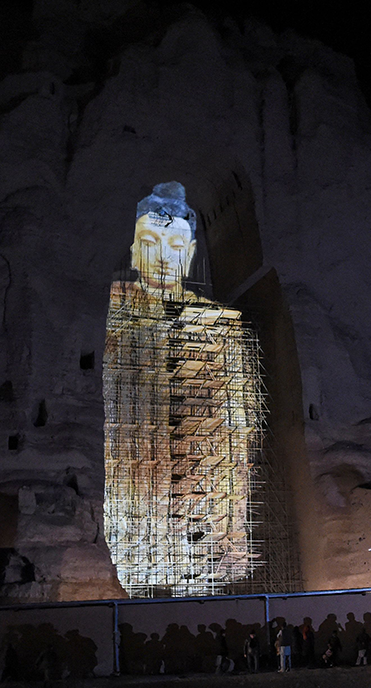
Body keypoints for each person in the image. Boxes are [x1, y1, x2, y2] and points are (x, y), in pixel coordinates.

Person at [103, 182, 262, 594]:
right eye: (151, 242)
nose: (164, 258)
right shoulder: (110, 309)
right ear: (135, 248)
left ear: (190, 254)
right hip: (135, 484)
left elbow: (242, 424)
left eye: (177, 245)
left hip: (206, 482)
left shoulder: (221, 323)